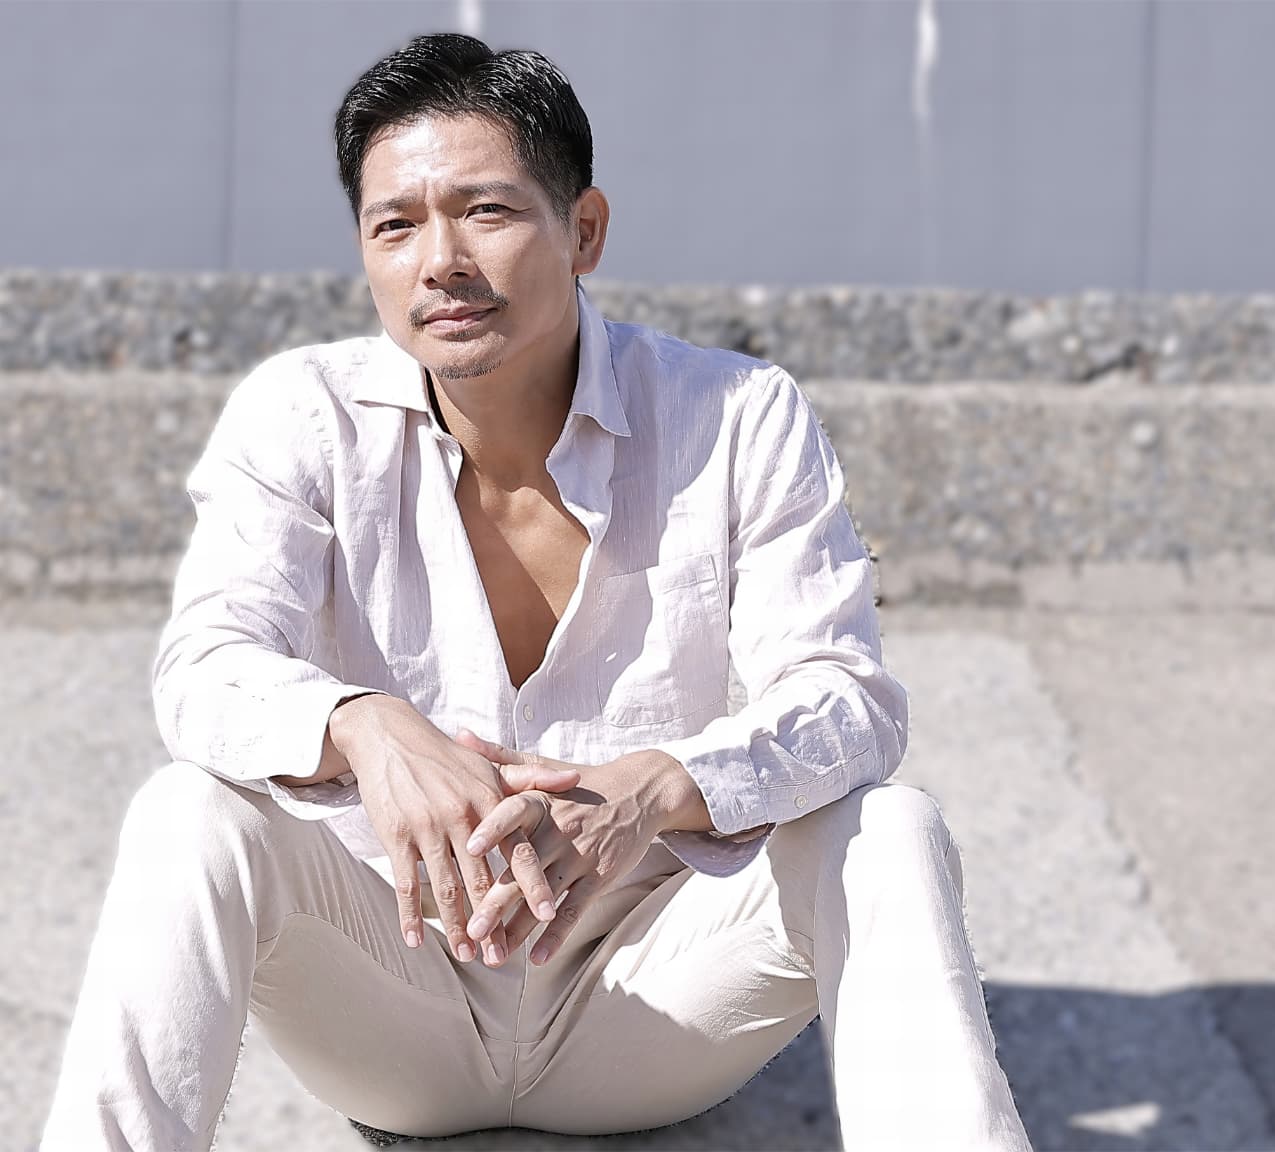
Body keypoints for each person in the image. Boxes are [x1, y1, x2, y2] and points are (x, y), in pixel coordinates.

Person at [42, 32, 1029, 1151]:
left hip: (648, 995)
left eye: (487, 212)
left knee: (887, 828)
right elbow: (202, 668)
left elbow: (849, 699)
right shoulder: (302, 413)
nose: (440, 261)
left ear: (585, 229)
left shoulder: (736, 415)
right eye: (395, 225)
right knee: (187, 811)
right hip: (392, 988)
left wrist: (653, 788)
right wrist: (363, 724)